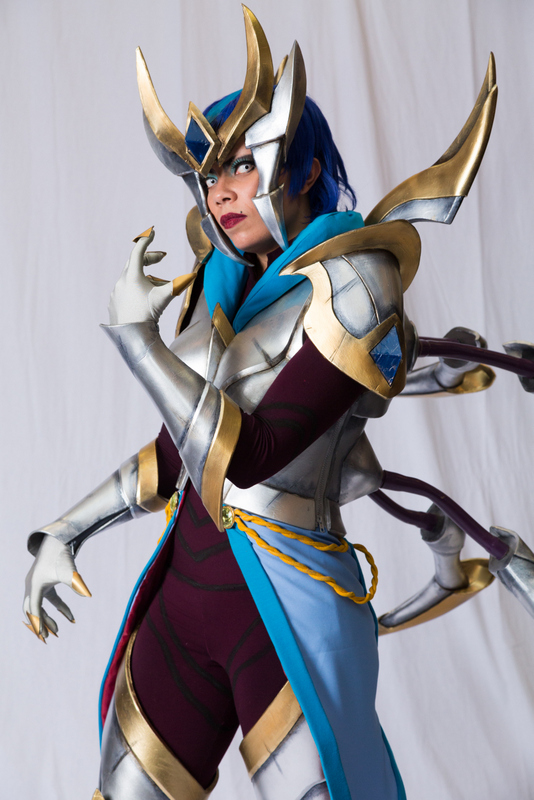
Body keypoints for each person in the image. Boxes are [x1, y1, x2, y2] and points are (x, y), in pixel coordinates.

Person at [22, 8, 534, 800]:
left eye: (240, 167)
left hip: (286, 609)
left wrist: (142, 346)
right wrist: (67, 530)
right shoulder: (220, 288)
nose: (220, 191)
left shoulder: (358, 285)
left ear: (299, 168)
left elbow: (253, 456)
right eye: (208, 176)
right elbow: (176, 457)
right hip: (182, 605)